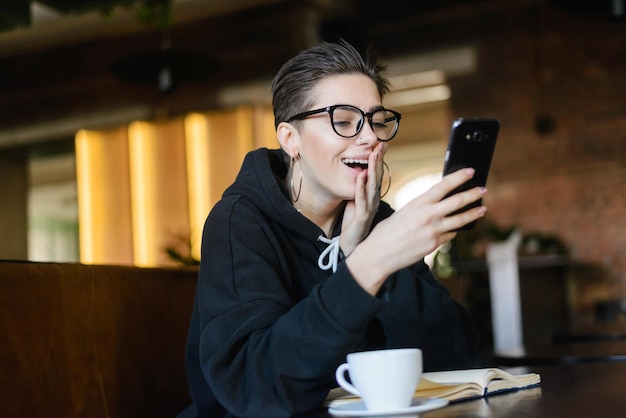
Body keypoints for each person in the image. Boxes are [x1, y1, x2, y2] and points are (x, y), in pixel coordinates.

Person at [179, 40, 484, 418]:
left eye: (376, 120)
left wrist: (361, 251)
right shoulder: (240, 222)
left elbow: (455, 358)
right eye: (343, 121)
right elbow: (253, 387)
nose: (370, 136)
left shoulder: (378, 221)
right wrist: (368, 265)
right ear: (291, 139)